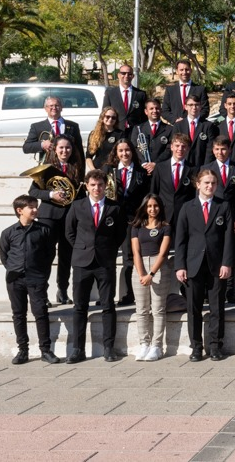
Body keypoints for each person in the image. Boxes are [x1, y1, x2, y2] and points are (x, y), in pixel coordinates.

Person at [175, 168, 235, 362]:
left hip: (216, 265)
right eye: (206, 183)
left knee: (217, 307)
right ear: (198, 184)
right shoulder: (187, 207)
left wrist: (226, 263)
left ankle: (215, 346)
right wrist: (180, 265)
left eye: (213, 183)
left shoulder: (223, 206)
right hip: (193, 265)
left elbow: (228, 239)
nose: (210, 186)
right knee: (194, 308)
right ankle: (196, 346)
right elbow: (181, 239)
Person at [65, 169, 125, 363]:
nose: (97, 188)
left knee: (108, 305)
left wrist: (107, 248)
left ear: (105, 185)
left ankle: (109, 348)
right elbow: (69, 232)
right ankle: (78, 350)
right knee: (80, 307)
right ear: (86, 186)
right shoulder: (77, 206)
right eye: (93, 185)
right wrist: (83, 248)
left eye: (100, 185)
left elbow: (120, 233)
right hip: (82, 261)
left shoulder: (114, 208)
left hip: (105, 262)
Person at [0, 195, 60, 365]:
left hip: (36, 278)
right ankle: (22, 350)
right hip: (14, 279)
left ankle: (46, 350)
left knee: (40, 313)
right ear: (20, 211)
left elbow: (50, 254)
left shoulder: (44, 230)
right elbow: (4, 256)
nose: (35, 210)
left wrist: (41, 273)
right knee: (19, 314)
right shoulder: (8, 233)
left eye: (36, 206)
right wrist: (14, 269)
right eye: (31, 207)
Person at [29, 134, 83, 305]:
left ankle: (63, 291)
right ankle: (42, 294)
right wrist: (52, 194)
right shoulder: (46, 169)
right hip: (49, 217)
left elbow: (80, 194)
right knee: (46, 256)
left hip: (69, 218)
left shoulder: (77, 168)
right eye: (61, 147)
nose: (65, 151)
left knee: (66, 257)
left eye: (68, 147)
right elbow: (33, 192)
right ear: (55, 149)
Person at [129, 194, 173, 361]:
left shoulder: (165, 227)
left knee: (158, 309)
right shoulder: (136, 227)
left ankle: (156, 346)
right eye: (149, 206)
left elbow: (163, 253)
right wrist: (142, 274)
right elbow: (136, 252)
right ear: (144, 208)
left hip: (158, 268)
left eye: (155, 206)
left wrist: (151, 274)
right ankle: (144, 344)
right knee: (141, 310)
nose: (152, 209)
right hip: (140, 267)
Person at [105, 138, 149, 307]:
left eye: (127, 150)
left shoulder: (141, 173)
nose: (124, 153)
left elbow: (145, 197)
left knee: (129, 258)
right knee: (108, 257)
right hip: (111, 220)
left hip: (132, 220)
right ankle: (107, 295)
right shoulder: (109, 171)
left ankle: (127, 294)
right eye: (121, 150)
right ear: (116, 153)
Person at [149, 133, 196, 231]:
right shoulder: (160, 167)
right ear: (171, 147)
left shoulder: (193, 169)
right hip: (164, 214)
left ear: (188, 149)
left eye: (183, 146)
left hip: (184, 214)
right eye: (177, 146)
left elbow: (194, 195)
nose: (180, 149)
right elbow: (154, 192)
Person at [23, 95, 84, 163]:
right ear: (45, 108)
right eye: (51, 106)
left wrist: (81, 171)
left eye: (57, 105)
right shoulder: (37, 127)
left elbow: (79, 150)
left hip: (69, 166)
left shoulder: (73, 126)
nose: (54, 108)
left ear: (61, 107)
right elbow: (26, 148)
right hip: (47, 167)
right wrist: (42, 145)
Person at [174, 95, 217, 167]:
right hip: (183, 166)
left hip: (202, 165)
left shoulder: (208, 126)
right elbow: (174, 147)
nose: (194, 107)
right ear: (185, 107)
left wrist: (206, 167)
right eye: (191, 105)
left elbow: (210, 150)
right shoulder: (178, 126)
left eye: (196, 105)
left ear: (200, 107)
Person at [131, 99, 171, 174]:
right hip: (142, 169)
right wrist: (144, 163)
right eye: (151, 108)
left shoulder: (170, 129)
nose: (155, 111)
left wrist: (155, 163)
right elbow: (134, 148)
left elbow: (169, 149)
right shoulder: (137, 129)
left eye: (157, 108)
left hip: (161, 170)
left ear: (161, 110)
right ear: (146, 111)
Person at [162, 59, 209, 123]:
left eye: (187, 69)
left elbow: (205, 110)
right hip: (176, 127)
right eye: (181, 70)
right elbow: (165, 111)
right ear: (177, 71)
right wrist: (175, 119)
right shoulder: (170, 90)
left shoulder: (200, 89)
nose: (184, 72)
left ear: (191, 70)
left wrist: (192, 120)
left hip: (195, 126)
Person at [102, 64, 147, 130]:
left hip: (134, 132)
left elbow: (144, 116)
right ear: (118, 75)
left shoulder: (140, 94)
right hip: (116, 130)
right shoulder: (110, 93)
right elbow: (104, 112)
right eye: (123, 73)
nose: (126, 76)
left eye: (129, 74)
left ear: (133, 76)